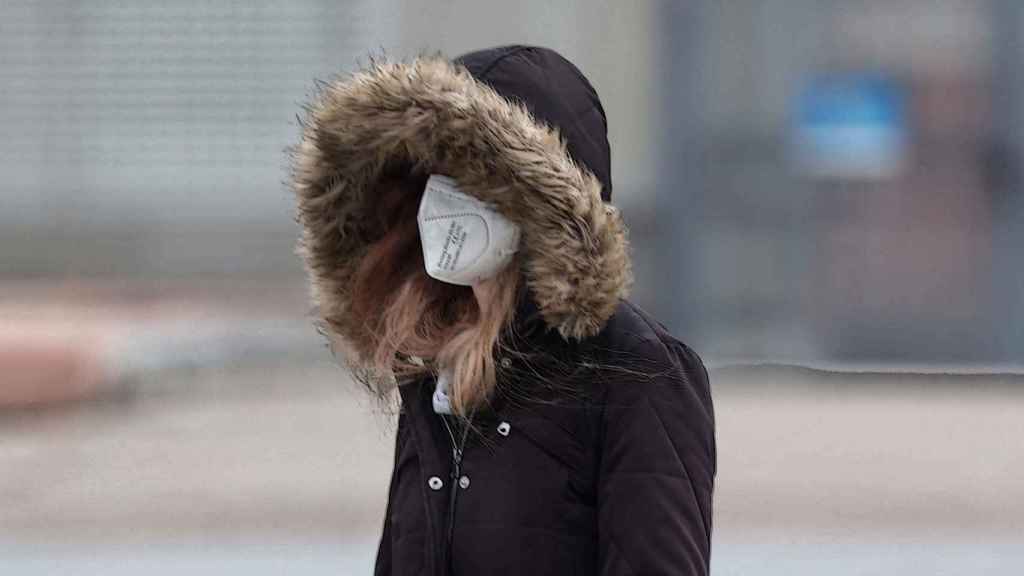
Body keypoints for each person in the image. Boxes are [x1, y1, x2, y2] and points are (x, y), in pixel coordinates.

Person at [291, 45, 715, 576]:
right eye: (435, 177)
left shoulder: (636, 370)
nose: (443, 203)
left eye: (474, 181)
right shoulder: (431, 367)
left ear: (539, 204)